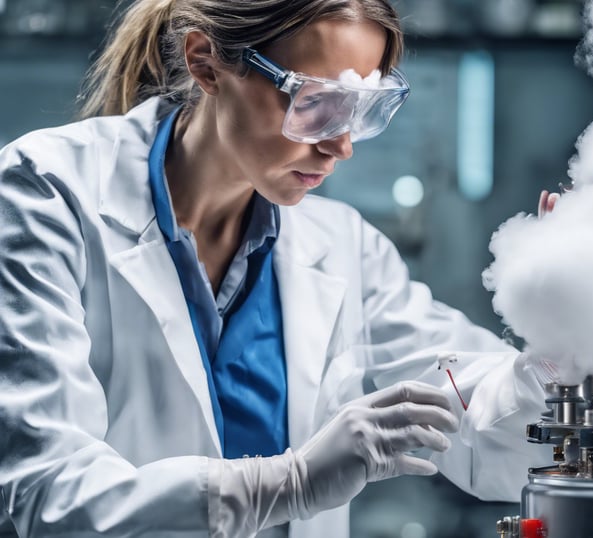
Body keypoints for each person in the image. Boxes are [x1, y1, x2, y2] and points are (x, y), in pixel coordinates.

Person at [0, 0, 556, 536]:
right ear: (205, 62)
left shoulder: (342, 245)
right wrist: (289, 484)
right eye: (316, 101)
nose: (341, 145)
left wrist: (562, 349)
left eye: (363, 108)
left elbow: (485, 432)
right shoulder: (48, 194)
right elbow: (48, 494)